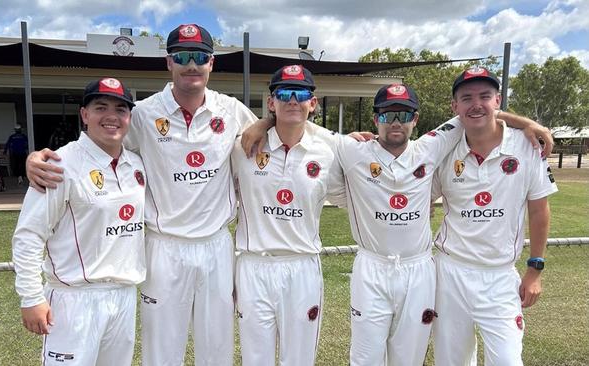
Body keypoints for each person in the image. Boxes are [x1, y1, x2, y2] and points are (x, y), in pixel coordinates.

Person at [25, 24, 271, 365]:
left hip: (216, 244)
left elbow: (285, 130)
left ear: (211, 63)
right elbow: (98, 145)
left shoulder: (231, 111)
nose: (191, 65)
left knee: (217, 348)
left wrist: (268, 120)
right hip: (163, 246)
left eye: (199, 57)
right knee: (161, 349)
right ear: (169, 62)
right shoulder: (141, 114)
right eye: (182, 57)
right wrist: (37, 157)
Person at [328, 82, 553, 366]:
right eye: (387, 115)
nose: (396, 122)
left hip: (421, 268)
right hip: (375, 268)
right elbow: (303, 129)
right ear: (375, 119)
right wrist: (262, 126)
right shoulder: (351, 150)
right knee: (366, 358)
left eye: (404, 114)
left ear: (416, 119)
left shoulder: (431, 146)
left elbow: (474, 113)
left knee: (410, 357)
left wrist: (527, 123)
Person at [12, 77, 146, 365]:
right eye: (101, 107)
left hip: (123, 295)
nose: (111, 116)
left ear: (129, 117)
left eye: (120, 109)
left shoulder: (136, 164)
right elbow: (29, 235)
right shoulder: (59, 165)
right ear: (84, 114)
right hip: (74, 299)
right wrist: (31, 297)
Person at [431, 67, 557, 365]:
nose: (477, 104)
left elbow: (539, 209)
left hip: (500, 276)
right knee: (452, 361)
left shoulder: (527, 146)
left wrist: (535, 270)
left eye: (485, 96)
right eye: (467, 98)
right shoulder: (444, 148)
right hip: (449, 273)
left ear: (498, 100)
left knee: (507, 360)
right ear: (454, 107)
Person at [232, 65, 340, 365]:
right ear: (271, 102)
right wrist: (264, 124)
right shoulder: (243, 148)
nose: (293, 100)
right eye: (284, 94)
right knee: (256, 359)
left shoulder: (329, 152)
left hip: (302, 267)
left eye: (302, 93)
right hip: (255, 267)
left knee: (299, 359)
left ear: (313, 103)